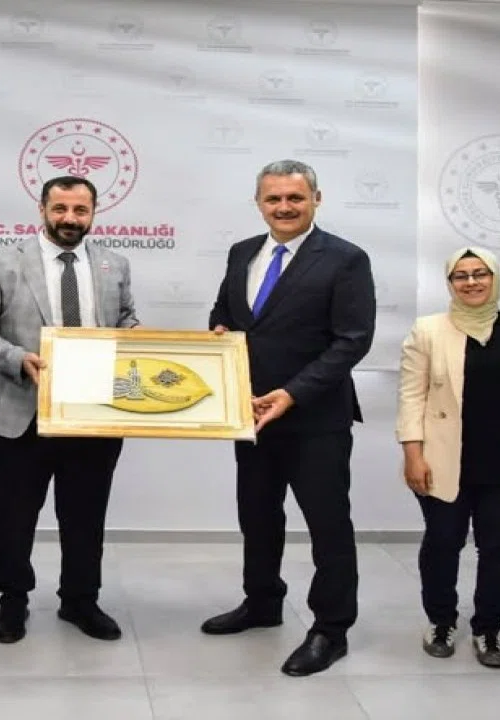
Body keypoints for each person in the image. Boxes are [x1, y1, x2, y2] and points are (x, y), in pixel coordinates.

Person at [205, 159, 375, 676]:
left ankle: (331, 629)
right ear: (259, 203)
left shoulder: (346, 259)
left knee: (328, 526)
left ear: (316, 200)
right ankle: (262, 602)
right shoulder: (242, 252)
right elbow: (226, 314)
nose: (284, 207)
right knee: (257, 516)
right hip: (251, 415)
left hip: (315, 418)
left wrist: (293, 393)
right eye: (273, 198)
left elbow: (353, 340)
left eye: (295, 198)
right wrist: (217, 334)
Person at [0, 175, 138, 645]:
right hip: (19, 412)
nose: (69, 219)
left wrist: (139, 340)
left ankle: (80, 600)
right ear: (42, 209)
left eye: (80, 210)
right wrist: (16, 359)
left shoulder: (115, 264)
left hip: (94, 414)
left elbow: (125, 320)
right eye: (60, 209)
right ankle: (12, 600)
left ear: (93, 213)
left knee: (85, 515)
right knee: (14, 516)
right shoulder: (1, 261)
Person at [396, 247, 500, 669]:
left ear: (495, 277)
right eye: (460, 276)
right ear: (450, 283)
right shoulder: (428, 330)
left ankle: (489, 629)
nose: (471, 282)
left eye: (480, 273)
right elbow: (411, 396)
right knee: (443, 543)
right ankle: (441, 622)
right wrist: (412, 454)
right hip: (444, 460)